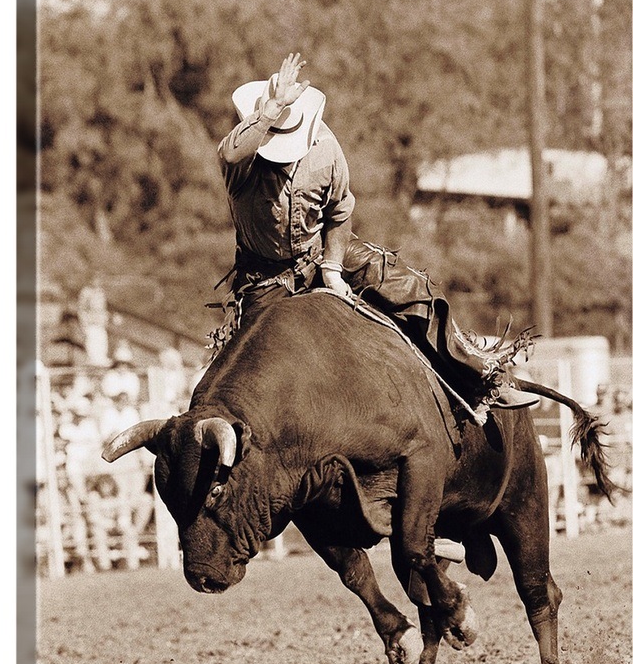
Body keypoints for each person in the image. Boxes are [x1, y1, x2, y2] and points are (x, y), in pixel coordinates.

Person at [216, 52, 539, 418]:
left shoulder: (325, 150)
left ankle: (480, 377)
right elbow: (229, 155)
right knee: (254, 365)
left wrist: (332, 269)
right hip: (263, 278)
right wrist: (272, 109)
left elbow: (339, 213)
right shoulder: (242, 164)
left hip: (319, 252)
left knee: (412, 288)